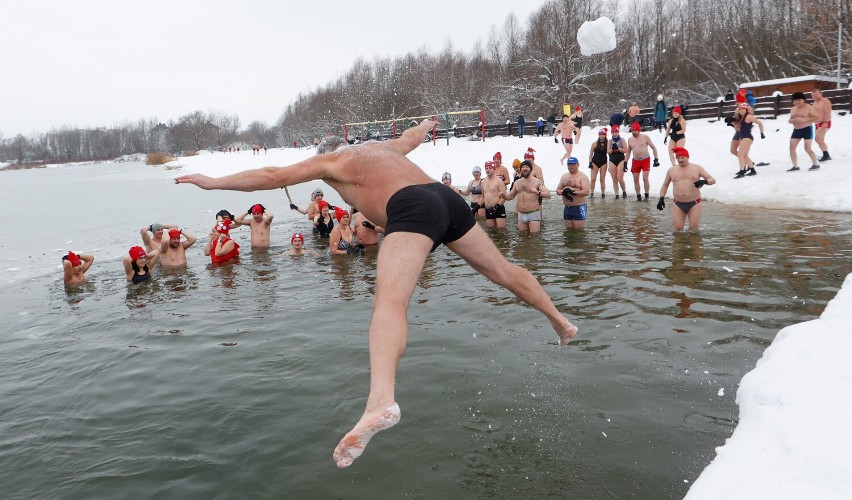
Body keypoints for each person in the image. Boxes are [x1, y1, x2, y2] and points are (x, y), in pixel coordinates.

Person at [175, 118, 578, 468]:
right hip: (446, 200)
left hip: (413, 206)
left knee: (387, 302)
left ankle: (380, 401)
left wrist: (213, 184)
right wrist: (423, 128)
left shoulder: (333, 161)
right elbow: (411, 138)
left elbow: (272, 175)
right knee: (503, 271)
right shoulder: (379, 149)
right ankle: (560, 322)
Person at [657, 147, 715, 231]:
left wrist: (704, 181)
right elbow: (665, 185)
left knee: (693, 229)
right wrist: (661, 198)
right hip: (678, 204)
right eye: (678, 158)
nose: (680, 160)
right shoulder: (672, 170)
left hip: (694, 203)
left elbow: (712, 180)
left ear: (687, 157)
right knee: (677, 229)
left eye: (682, 157)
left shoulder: (697, 168)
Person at [501, 160, 551, 233]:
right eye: (523, 167)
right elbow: (511, 196)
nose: (525, 168)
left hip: (533, 213)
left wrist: (538, 192)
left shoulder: (537, 181)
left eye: (527, 167)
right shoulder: (517, 182)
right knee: (522, 237)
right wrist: (504, 196)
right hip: (521, 214)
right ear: (521, 169)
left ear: (530, 169)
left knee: (534, 237)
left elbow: (548, 194)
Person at [625, 121, 660, 201]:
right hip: (636, 160)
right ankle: (638, 196)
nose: (633, 132)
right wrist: (625, 162)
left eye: (635, 130)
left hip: (645, 159)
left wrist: (656, 159)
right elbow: (628, 152)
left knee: (645, 178)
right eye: (632, 131)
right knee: (635, 179)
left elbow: (654, 148)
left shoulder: (645, 137)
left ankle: (647, 195)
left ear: (639, 130)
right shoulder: (630, 139)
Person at [787, 91, 821, 172]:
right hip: (796, 130)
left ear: (803, 100)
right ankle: (795, 166)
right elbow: (790, 119)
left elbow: (816, 117)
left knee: (807, 148)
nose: (797, 102)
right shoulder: (793, 109)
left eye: (799, 100)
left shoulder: (808, 107)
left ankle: (815, 164)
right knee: (791, 148)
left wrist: (804, 119)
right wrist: (792, 121)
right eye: (795, 101)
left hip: (807, 129)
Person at [555, 157, 590, 230]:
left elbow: (586, 192)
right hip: (567, 208)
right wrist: (563, 192)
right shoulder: (564, 176)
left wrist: (573, 192)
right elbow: (558, 190)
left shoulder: (582, 176)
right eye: (569, 164)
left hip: (579, 207)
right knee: (569, 231)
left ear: (578, 165)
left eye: (573, 164)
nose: (571, 166)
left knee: (578, 232)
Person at [733, 103, 765, 179]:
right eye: (740, 109)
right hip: (742, 137)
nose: (742, 111)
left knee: (740, 155)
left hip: (747, 137)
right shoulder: (742, 118)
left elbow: (760, 123)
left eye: (743, 109)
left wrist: (762, 133)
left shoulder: (748, 116)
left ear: (746, 109)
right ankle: (752, 170)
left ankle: (742, 172)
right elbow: (741, 129)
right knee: (745, 155)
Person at [481, 161, 508, 229]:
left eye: (490, 168)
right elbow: (483, 197)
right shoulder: (483, 182)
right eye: (486, 168)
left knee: (501, 232)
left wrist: (496, 206)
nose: (488, 169)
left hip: (498, 209)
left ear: (494, 169)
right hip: (488, 209)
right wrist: (476, 207)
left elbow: (504, 197)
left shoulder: (499, 181)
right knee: (491, 232)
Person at [587, 128, 609, 198]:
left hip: (603, 162)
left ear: (605, 135)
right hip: (595, 162)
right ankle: (592, 193)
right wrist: (590, 162)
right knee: (593, 179)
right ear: (598, 135)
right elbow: (590, 154)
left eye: (603, 135)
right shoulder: (595, 143)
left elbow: (610, 153)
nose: (602, 136)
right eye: (600, 135)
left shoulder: (608, 143)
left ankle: (603, 193)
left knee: (602, 179)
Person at [812, 88, 832, 161]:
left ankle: (826, 155)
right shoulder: (814, 103)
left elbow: (828, 112)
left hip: (824, 122)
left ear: (821, 94)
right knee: (820, 140)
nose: (815, 96)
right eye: (813, 95)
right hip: (817, 123)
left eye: (816, 94)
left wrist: (826, 122)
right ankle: (825, 154)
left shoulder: (825, 101)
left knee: (817, 139)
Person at [608, 125, 627, 199]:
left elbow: (626, 150)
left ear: (618, 132)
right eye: (613, 132)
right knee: (614, 179)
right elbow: (608, 152)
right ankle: (616, 194)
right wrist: (612, 149)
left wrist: (619, 149)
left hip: (621, 159)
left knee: (619, 178)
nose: (614, 134)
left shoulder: (622, 140)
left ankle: (624, 191)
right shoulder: (610, 141)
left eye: (616, 132)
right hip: (612, 160)